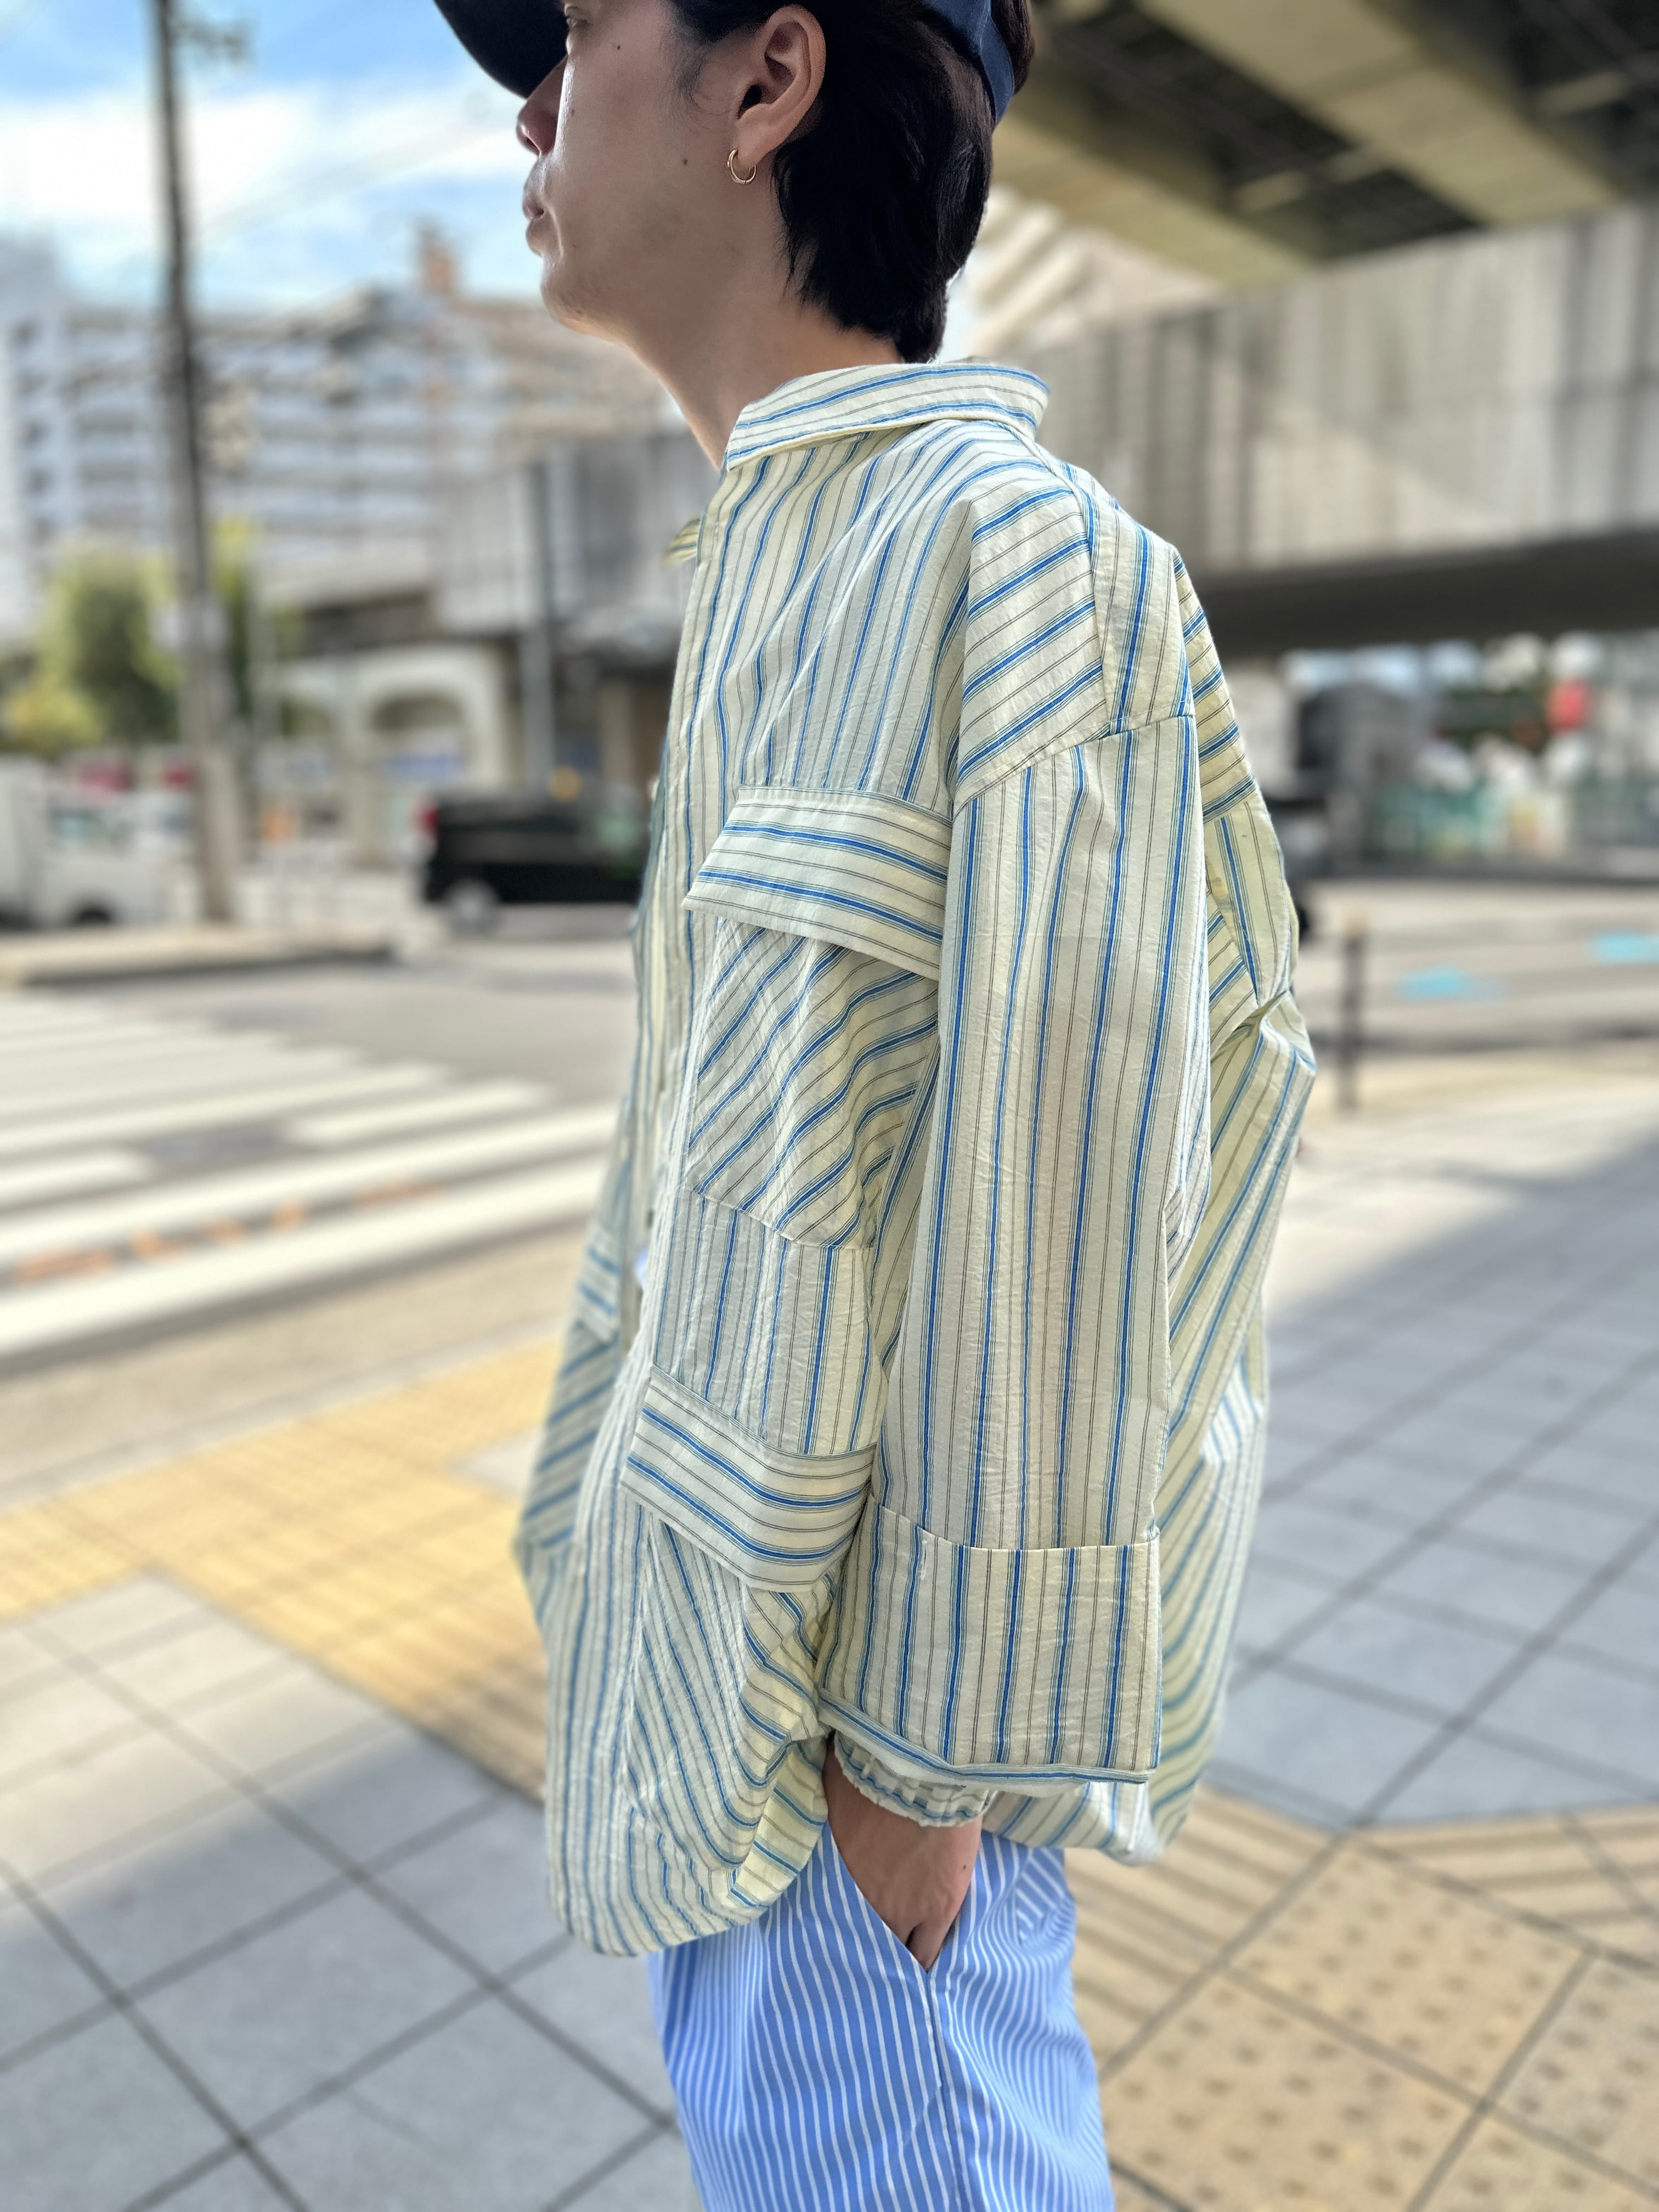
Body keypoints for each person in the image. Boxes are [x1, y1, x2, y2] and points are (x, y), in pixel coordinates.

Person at [431, 1, 1315, 2204]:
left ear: (769, 82)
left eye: (576, 30)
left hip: (857, 1815)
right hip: (732, 1740)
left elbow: (1075, 1234)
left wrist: (911, 1807)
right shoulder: (771, 572)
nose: (530, 107)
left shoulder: (1018, 562)